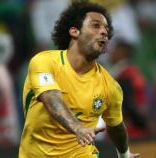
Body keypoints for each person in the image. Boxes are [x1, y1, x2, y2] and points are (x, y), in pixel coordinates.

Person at [18, 1, 140, 158]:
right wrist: (77, 127)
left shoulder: (110, 86)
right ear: (75, 31)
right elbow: (51, 98)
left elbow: (116, 126)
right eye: (96, 26)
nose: (104, 32)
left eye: (106, 29)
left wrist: (124, 154)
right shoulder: (44, 62)